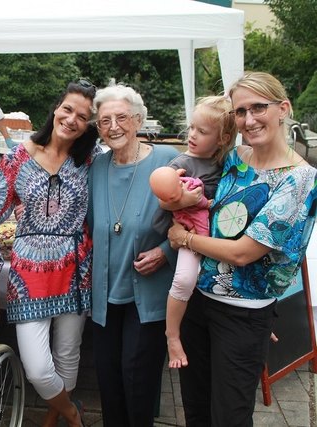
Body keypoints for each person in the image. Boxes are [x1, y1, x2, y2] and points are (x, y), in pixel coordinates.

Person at [167, 72, 317, 427]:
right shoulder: (235, 157)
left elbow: (243, 253)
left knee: (230, 417)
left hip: (242, 317)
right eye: (240, 111)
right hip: (199, 305)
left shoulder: (299, 180)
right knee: (197, 409)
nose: (249, 120)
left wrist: (182, 238)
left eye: (258, 108)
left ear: (283, 109)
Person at [0, 80, 99, 427]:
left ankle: (55, 418)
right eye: (68, 109)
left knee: (68, 354)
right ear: (56, 108)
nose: (71, 120)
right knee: (38, 367)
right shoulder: (18, 157)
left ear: (88, 124)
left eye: (82, 116)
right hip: (28, 276)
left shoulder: (90, 161)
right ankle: (74, 414)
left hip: (76, 269)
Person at [86, 81, 180, 427]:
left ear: (138, 120)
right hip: (105, 295)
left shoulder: (168, 161)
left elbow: (200, 219)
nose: (113, 127)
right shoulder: (96, 167)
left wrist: (166, 251)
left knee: (137, 380)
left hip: (148, 292)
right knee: (108, 383)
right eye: (104, 120)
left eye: (122, 117)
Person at [149, 95, 237, 369]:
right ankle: (172, 335)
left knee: (236, 276)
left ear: (222, 139)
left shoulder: (228, 163)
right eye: (191, 128)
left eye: (202, 131)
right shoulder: (181, 163)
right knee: (184, 280)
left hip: (217, 237)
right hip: (190, 233)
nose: (192, 135)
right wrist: (186, 200)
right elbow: (162, 199)